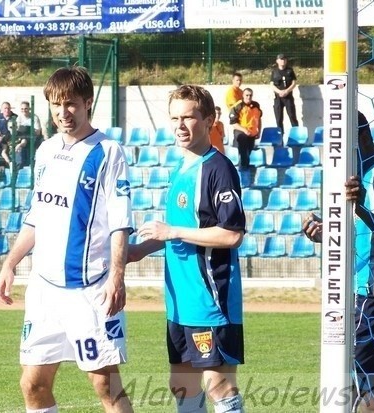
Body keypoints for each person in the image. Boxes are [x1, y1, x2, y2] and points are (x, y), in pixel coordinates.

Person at [0, 66, 134, 413]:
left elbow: (120, 222)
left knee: (105, 384)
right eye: (56, 105)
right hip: (45, 291)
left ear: (88, 103)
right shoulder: (45, 151)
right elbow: (37, 216)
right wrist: (11, 263)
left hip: (89, 290)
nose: (62, 112)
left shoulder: (107, 152)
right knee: (33, 384)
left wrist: (117, 277)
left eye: (70, 104)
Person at [128, 84, 246, 413]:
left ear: (209, 120)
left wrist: (172, 230)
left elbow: (232, 235)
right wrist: (135, 250)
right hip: (179, 302)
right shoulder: (180, 168)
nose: (180, 125)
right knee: (182, 384)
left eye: (189, 117)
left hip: (210, 299)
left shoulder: (218, 169)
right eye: (174, 118)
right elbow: (174, 235)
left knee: (218, 384)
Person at [302, 112, 374, 412]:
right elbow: (351, 230)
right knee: (362, 384)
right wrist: (323, 232)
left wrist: (362, 206)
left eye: (341, 146)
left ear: (361, 138)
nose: (336, 155)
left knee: (362, 389)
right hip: (351, 293)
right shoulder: (344, 176)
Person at [229, 88, 262, 171]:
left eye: (250, 95)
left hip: (252, 134)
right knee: (243, 153)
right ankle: (242, 170)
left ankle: (246, 170)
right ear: (243, 96)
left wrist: (259, 131)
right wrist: (244, 130)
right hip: (241, 133)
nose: (248, 97)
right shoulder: (238, 106)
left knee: (249, 152)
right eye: (247, 95)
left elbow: (259, 118)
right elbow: (233, 123)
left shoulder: (256, 105)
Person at [270, 53, 299, 135]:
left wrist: (287, 91)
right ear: (277, 61)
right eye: (281, 59)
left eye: (284, 59)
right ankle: (280, 138)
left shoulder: (290, 70)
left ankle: (296, 135)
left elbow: (294, 83)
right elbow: (271, 84)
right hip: (278, 98)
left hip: (288, 97)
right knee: (278, 119)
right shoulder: (274, 71)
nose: (283, 61)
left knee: (292, 117)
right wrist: (279, 92)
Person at [17, 100, 43, 167]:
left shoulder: (34, 117)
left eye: (26, 108)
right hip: (22, 137)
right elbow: (17, 130)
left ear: (29, 109)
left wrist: (27, 130)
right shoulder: (19, 118)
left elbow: (38, 132)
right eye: (22, 109)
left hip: (32, 137)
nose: (24, 110)